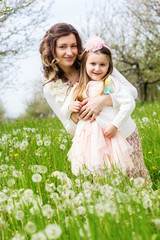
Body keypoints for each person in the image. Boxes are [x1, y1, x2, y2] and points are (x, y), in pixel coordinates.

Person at [39, 23, 151, 184]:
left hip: (123, 132)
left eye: (74, 46)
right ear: (52, 50)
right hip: (94, 146)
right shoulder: (51, 87)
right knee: (108, 191)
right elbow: (67, 125)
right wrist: (76, 116)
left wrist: (103, 100)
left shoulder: (95, 62)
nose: (69, 52)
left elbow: (132, 93)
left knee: (135, 184)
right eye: (62, 47)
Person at [62, 36, 136, 176]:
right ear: (85, 65)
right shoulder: (79, 87)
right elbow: (63, 110)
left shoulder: (110, 83)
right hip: (87, 140)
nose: (97, 68)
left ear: (109, 67)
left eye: (102, 65)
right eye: (93, 64)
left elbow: (128, 103)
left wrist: (115, 125)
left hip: (108, 135)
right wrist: (70, 107)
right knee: (91, 170)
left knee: (113, 169)